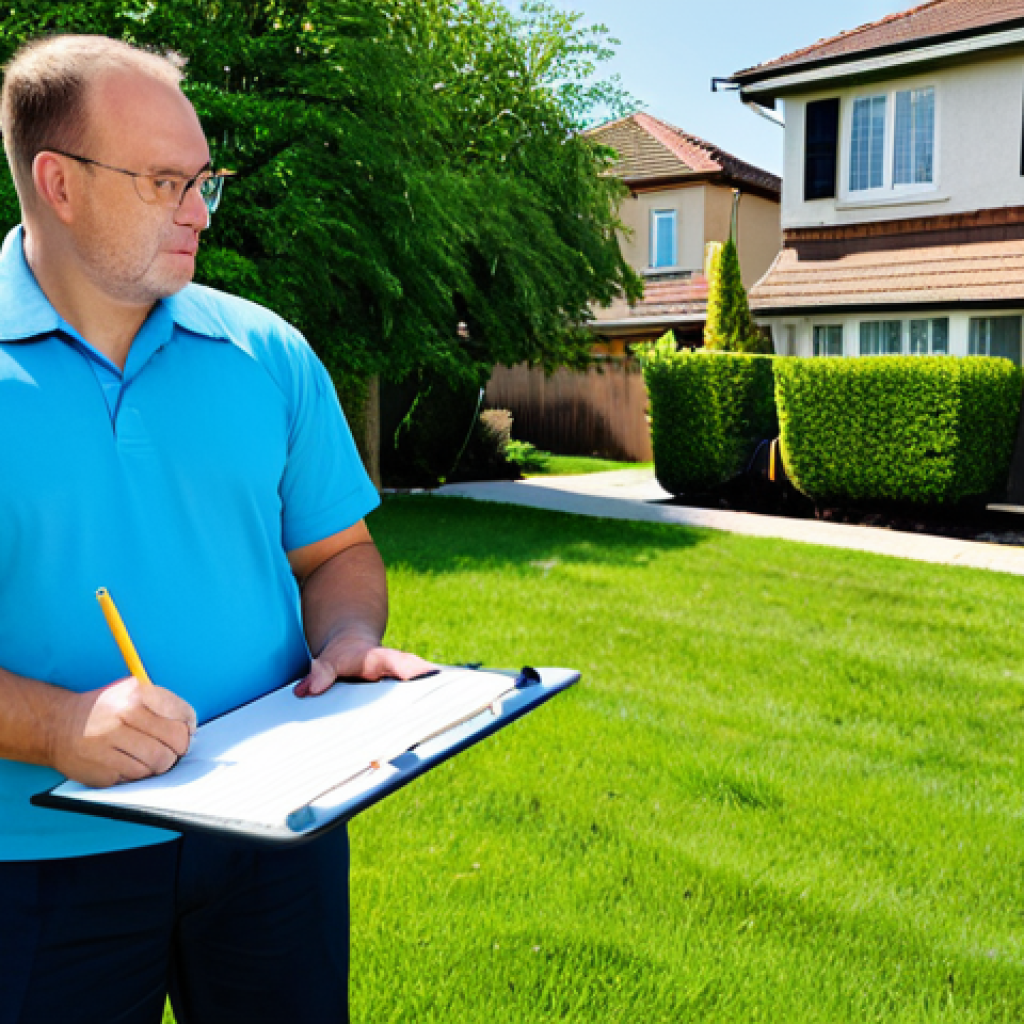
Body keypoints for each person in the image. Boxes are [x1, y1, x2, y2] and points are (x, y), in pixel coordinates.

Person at [0, 34, 430, 1024]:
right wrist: (57, 727)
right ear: (57, 183)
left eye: (204, 180)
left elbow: (338, 554)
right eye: (163, 181)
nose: (198, 211)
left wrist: (349, 640)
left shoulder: (268, 351)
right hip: (36, 868)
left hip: (277, 840)